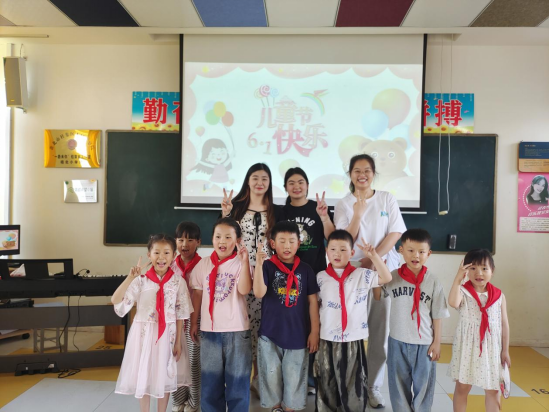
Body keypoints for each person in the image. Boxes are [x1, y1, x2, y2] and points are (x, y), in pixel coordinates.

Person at [334, 153, 407, 408]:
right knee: (351, 331)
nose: (362, 174)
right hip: (353, 273)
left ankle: (373, 386)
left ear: (373, 173)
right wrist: (358, 213)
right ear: (350, 174)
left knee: (379, 332)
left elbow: (395, 232)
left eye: (367, 170)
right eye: (357, 170)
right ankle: (351, 384)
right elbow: (344, 239)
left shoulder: (387, 198)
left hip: (383, 272)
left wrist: (373, 258)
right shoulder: (344, 203)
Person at [220, 163, 286, 395]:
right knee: (241, 324)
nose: (260, 182)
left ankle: (259, 379)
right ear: (248, 180)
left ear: (270, 183)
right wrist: (226, 214)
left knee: (264, 326)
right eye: (255, 178)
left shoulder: (277, 211)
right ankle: (239, 377)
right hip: (239, 273)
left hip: (267, 275)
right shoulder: (236, 207)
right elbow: (224, 236)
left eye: (264, 179)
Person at [112, 234, 193, 412]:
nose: (161, 257)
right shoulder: (141, 281)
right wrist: (130, 278)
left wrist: (178, 341)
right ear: (149, 255)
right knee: (144, 374)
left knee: (165, 375)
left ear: (174, 255)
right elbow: (116, 300)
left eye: (166, 253)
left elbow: (181, 313)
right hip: (144, 335)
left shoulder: (178, 282)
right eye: (156, 252)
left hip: (168, 335)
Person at [315, 230, 392, 411]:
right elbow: (315, 306)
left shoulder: (361, 275)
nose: (337, 253)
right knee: (326, 379)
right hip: (327, 338)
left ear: (351, 253)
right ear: (327, 252)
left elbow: (386, 277)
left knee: (354, 381)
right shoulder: (320, 277)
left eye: (343, 250)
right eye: (333, 249)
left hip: (353, 338)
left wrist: (374, 257)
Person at [374, 229, 450, 412]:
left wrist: (437, 342)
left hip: (425, 344)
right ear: (401, 250)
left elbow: (438, 314)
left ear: (428, 254)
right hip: (397, 341)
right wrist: (377, 269)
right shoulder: (393, 277)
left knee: (424, 387)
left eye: (421, 252)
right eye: (411, 250)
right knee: (398, 386)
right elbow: (377, 295)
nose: (416, 255)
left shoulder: (433, 281)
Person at [253, 220, 320, 412]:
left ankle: (290, 407)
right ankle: (275, 407)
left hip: (298, 335)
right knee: (271, 376)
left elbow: (313, 302)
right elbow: (258, 293)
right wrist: (259, 264)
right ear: (273, 244)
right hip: (270, 334)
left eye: (291, 241)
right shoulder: (267, 266)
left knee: (295, 377)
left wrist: (314, 331)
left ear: (299, 243)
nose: (287, 246)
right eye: (282, 241)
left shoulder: (305, 269)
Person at [189, 218, 253, 412]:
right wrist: (194, 323)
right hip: (210, 332)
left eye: (228, 237)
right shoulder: (203, 265)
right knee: (210, 382)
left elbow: (244, 290)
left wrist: (244, 262)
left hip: (237, 331)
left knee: (238, 382)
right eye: (218, 237)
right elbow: (197, 295)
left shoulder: (241, 263)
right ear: (212, 239)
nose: (222, 241)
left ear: (238, 241)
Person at [282, 167, 335, 394]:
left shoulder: (317, 208)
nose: (296, 186)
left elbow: (331, 237)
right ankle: (292, 377)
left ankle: (312, 378)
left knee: (315, 325)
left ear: (307, 185)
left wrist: (324, 216)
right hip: (288, 277)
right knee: (294, 324)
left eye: (300, 182)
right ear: (285, 187)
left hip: (316, 274)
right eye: (291, 183)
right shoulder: (281, 211)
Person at [448, 249, 511, 412]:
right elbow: (453, 302)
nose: (479, 273)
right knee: (462, 387)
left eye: (484, 268)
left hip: (492, 350)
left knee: (493, 389)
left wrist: (505, 350)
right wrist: (458, 278)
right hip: (468, 348)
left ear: (492, 271)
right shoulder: (463, 292)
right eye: (473, 268)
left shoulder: (499, 296)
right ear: (466, 270)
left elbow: (504, 324)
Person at [171, 222, 202, 412]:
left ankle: (194, 402)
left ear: (198, 242)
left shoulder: (202, 265)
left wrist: (195, 321)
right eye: (181, 239)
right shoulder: (170, 264)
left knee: (193, 362)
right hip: (174, 320)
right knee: (175, 359)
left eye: (190, 240)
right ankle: (178, 400)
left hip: (194, 318)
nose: (185, 244)